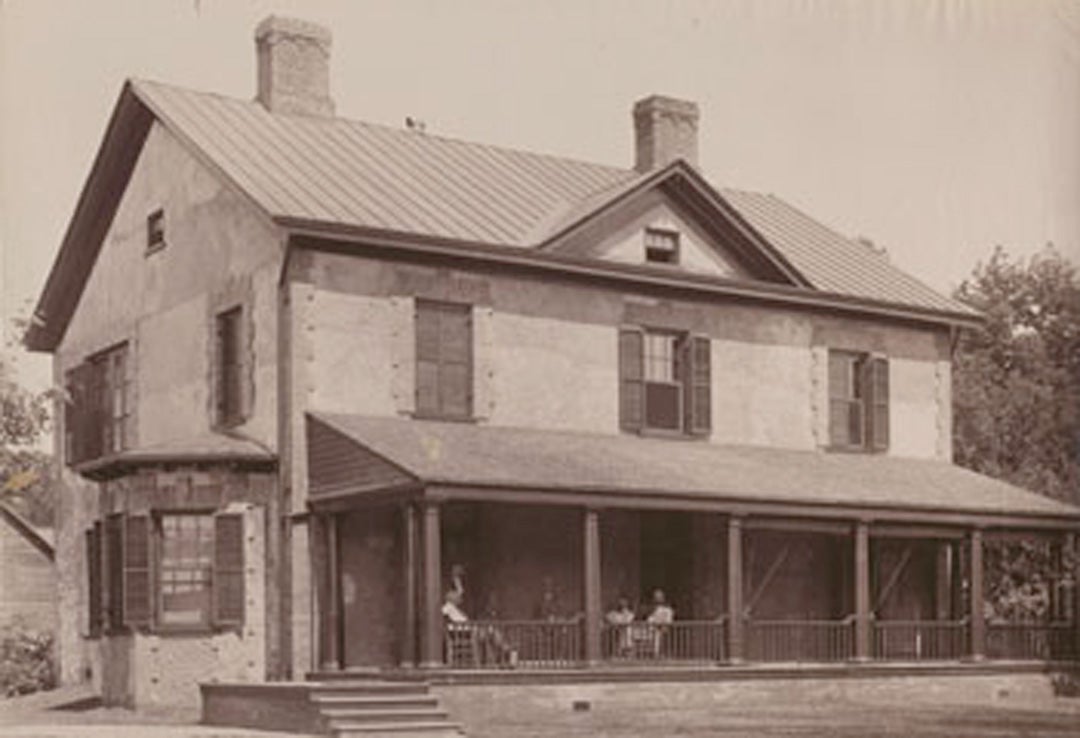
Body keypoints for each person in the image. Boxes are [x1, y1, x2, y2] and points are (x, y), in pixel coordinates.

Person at [644, 589, 674, 657]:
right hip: (650, 630)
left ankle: (657, 654)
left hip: (662, 630)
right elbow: (649, 619)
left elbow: (668, 621)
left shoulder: (667, 609)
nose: (657, 599)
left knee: (657, 635)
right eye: (656, 597)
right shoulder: (651, 609)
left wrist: (661, 625)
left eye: (659, 597)